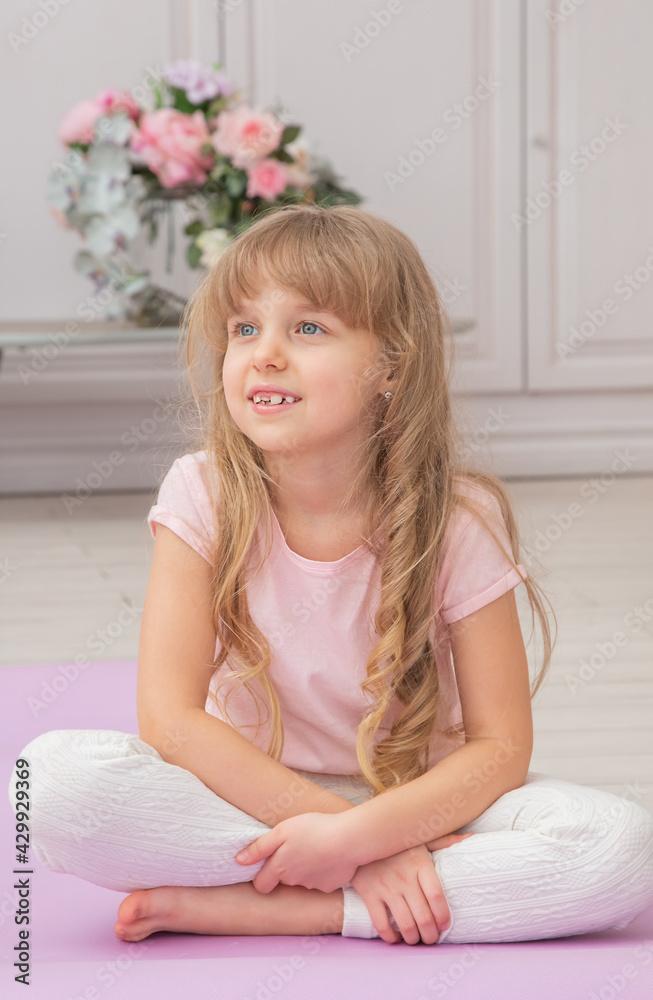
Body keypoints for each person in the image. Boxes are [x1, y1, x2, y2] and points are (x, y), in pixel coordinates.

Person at [10, 205, 653, 947]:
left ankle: (302, 907)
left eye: (307, 328)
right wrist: (348, 840)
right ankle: (368, 888)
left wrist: (368, 837)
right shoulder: (202, 492)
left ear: (391, 365)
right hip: (244, 797)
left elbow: (501, 748)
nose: (264, 354)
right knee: (47, 784)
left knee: (616, 846)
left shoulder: (457, 517)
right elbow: (171, 724)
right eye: (245, 329)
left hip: (417, 808)